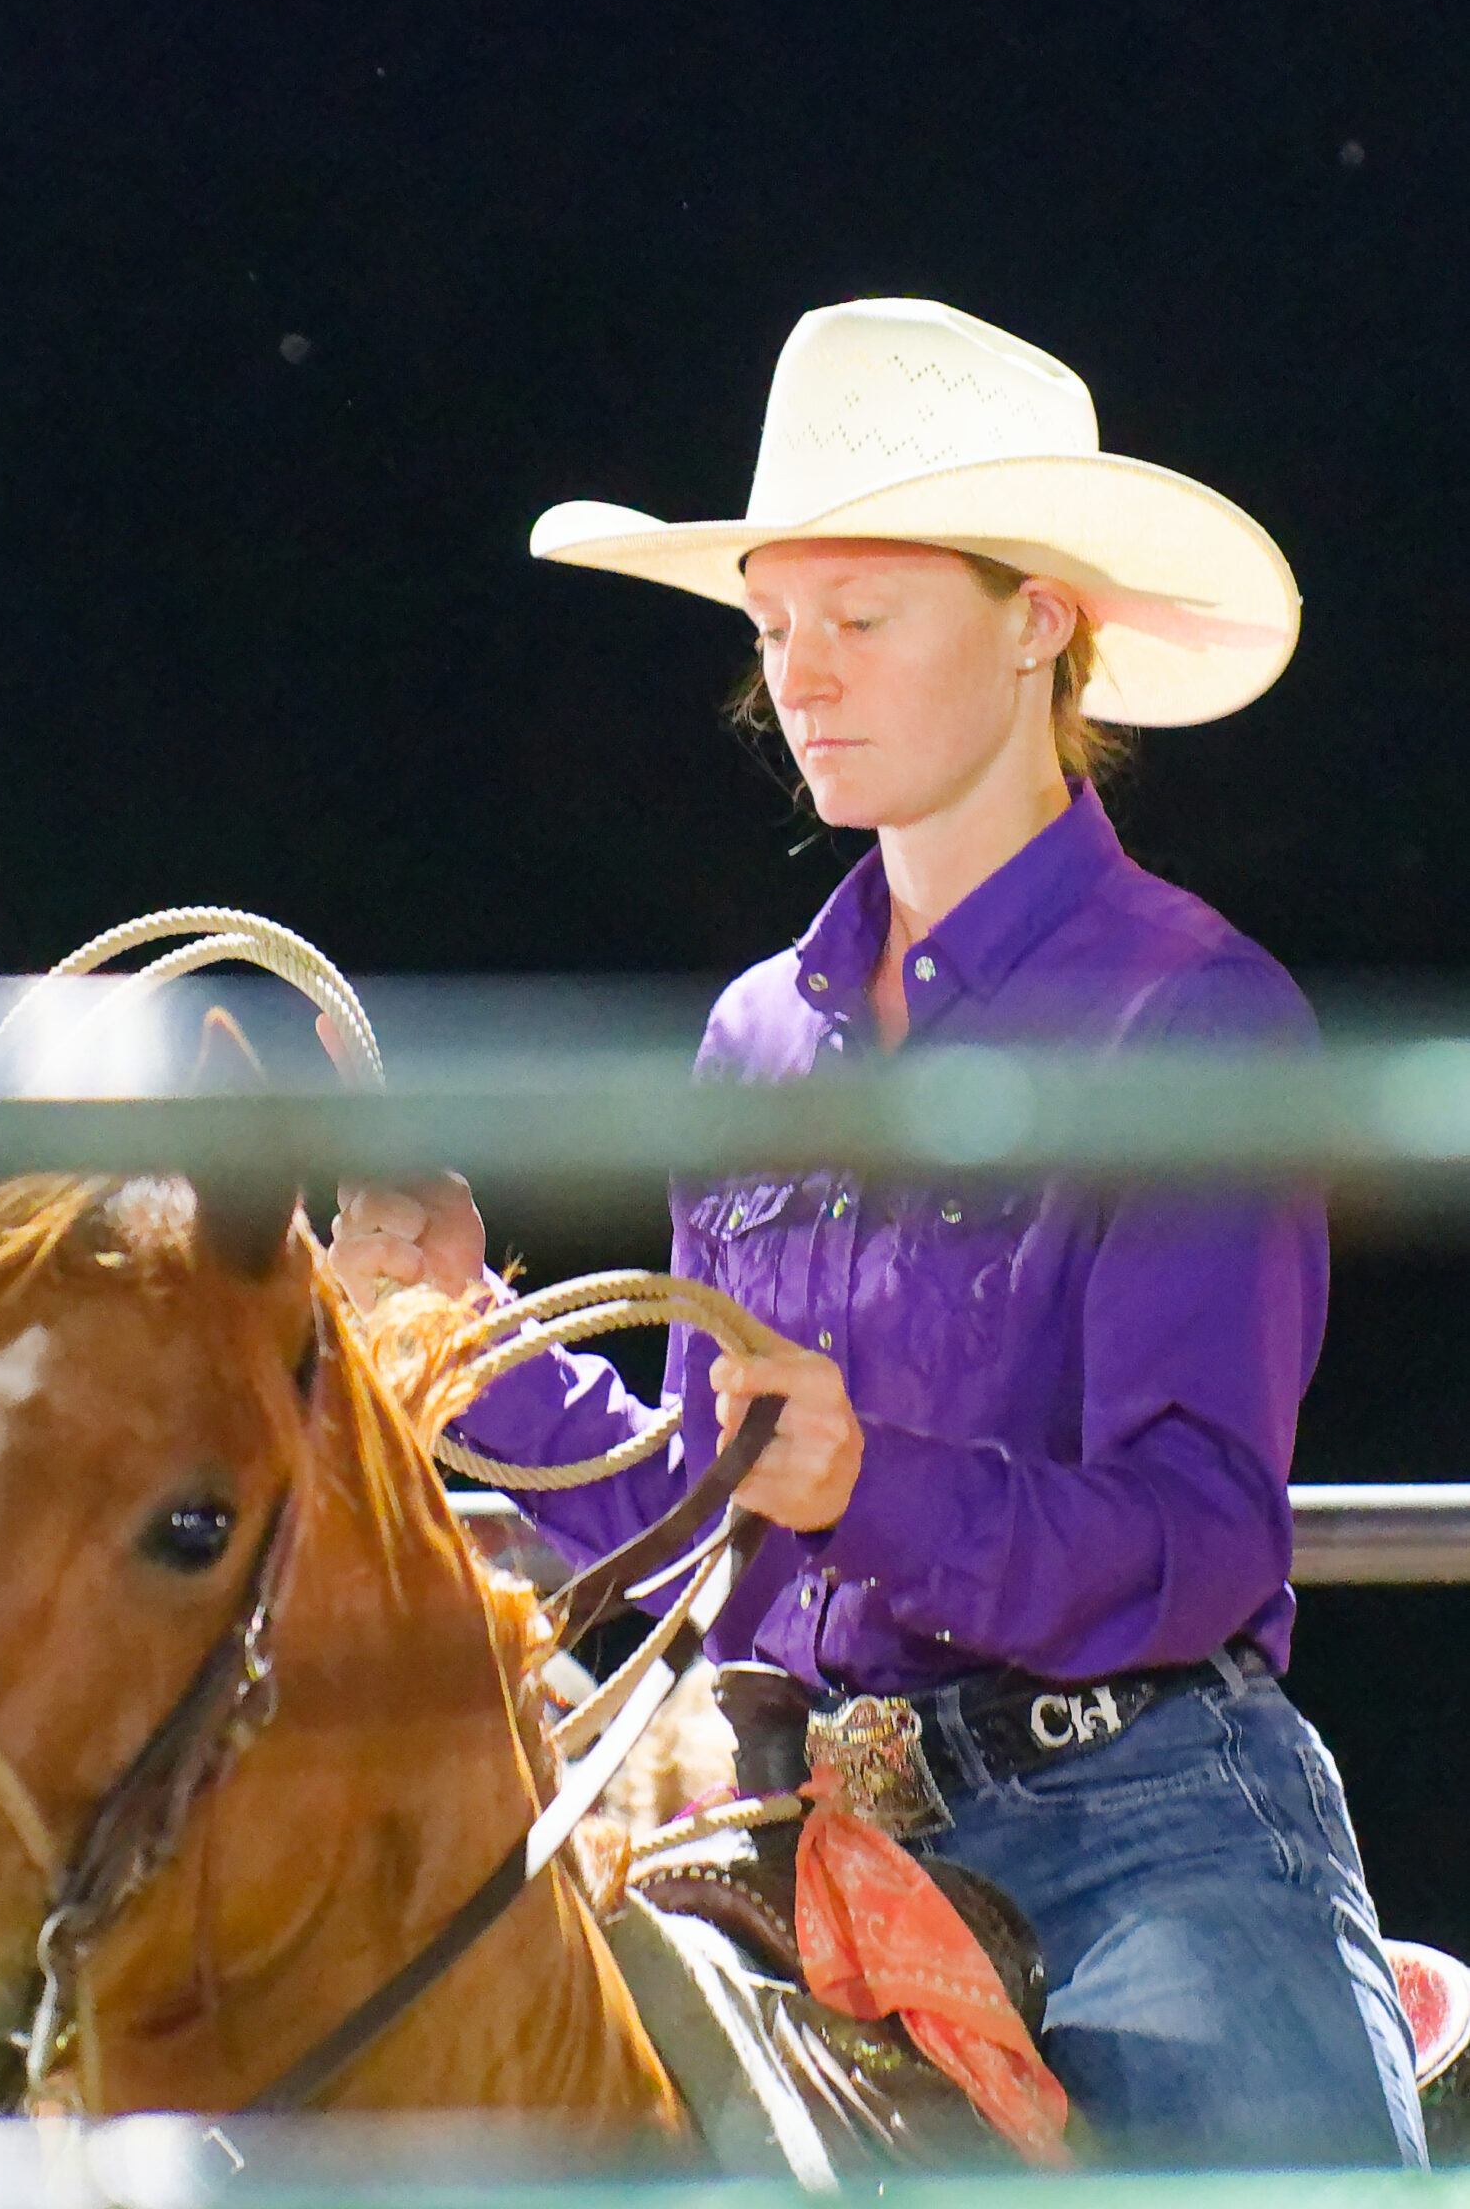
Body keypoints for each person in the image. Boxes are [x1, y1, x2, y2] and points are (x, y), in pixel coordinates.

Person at [328, 299, 1424, 2168]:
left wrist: (870, 1486)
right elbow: (708, 1502)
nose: (800, 680)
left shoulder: (1192, 1019)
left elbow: (1202, 1535)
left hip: (1140, 1825)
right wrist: (461, 1336)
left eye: (861, 618)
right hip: (787, 1814)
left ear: (1039, 623)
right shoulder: (759, 1038)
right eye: (774, 628)